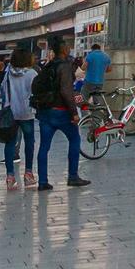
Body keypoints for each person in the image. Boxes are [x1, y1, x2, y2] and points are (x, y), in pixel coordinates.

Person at [35, 42, 90, 190]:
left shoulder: (48, 66)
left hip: (45, 111)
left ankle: (42, 181)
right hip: (61, 111)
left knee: (44, 147)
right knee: (74, 139)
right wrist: (74, 112)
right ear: (64, 51)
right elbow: (67, 92)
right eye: (67, 47)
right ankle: (72, 176)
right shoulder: (65, 66)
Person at [2, 48, 38, 190]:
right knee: (29, 142)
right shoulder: (32, 74)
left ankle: (10, 176)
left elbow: (2, 91)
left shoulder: (8, 73)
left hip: (11, 112)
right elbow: (35, 92)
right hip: (27, 112)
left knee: (10, 143)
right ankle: (28, 173)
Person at [81, 44, 111, 111]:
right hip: (100, 82)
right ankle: (97, 118)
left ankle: (84, 116)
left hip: (89, 82)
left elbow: (83, 67)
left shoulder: (90, 55)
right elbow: (109, 69)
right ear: (99, 48)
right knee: (97, 101)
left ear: (92, 49)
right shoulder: (106, 56)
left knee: (83, 99)